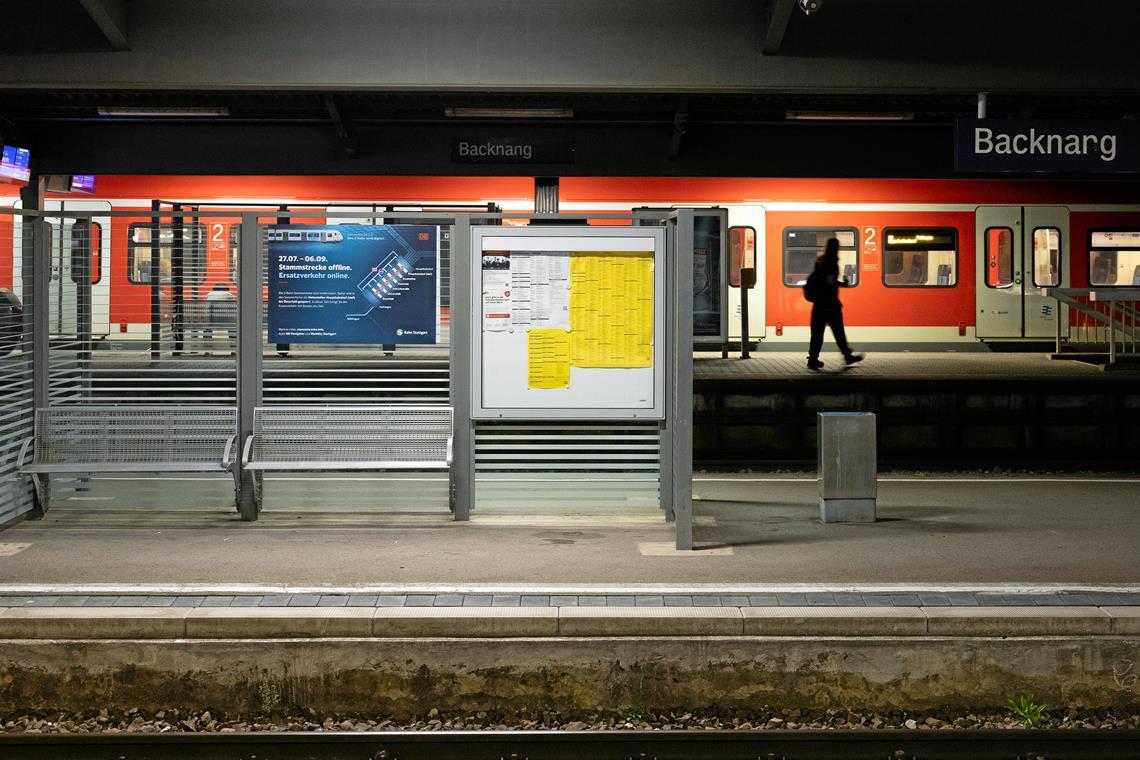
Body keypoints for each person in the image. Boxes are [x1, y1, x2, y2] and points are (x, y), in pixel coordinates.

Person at [806, 238, 863, 371]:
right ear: (835, 248)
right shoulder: (830, 262)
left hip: (818, 304)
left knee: (817, 334)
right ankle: (847, 356)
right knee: (838, 332)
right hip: (830, 304)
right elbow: (830, 281)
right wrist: (843, 284)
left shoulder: (820, 260)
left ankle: (813, 359)